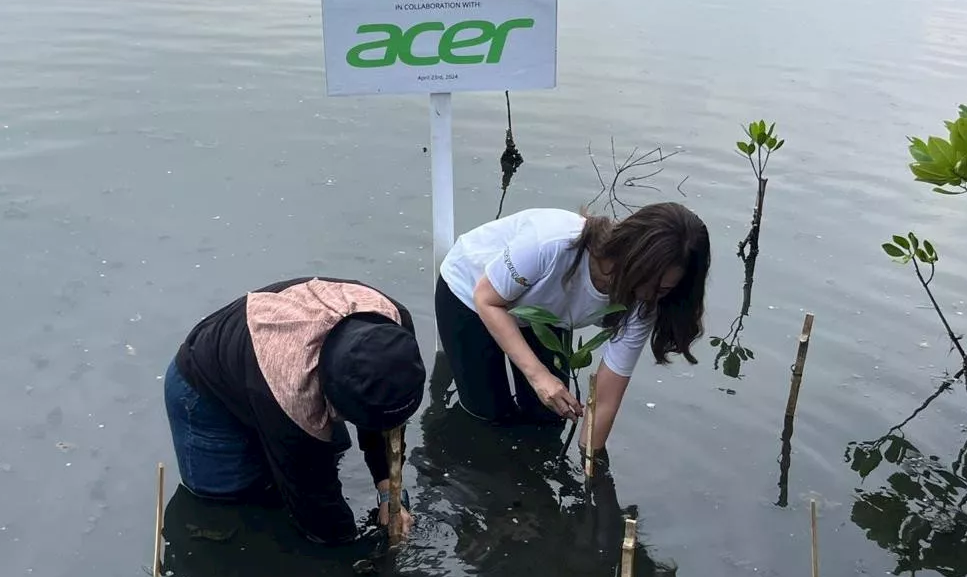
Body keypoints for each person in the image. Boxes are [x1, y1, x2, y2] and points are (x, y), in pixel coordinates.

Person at [435, 201, 710, 462]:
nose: (649, 295)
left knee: (549, 416)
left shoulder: (645, 305)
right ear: (632, 253)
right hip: (471, 294)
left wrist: (590, 464)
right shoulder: (552, 244)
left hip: (544, 313)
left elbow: (604, 400)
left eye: (663, 290)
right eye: (647, 281)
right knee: (488, 414)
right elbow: (487, 299)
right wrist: (539, 376)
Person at [165, 276, 426, 545]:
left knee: (331, 451)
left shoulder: (393, 327)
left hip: (281, 369)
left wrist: (388, 494)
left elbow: (385, 418)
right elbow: (316, 505)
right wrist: (355, 553)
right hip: (205, 393)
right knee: (238, 505)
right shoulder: (293, 394)